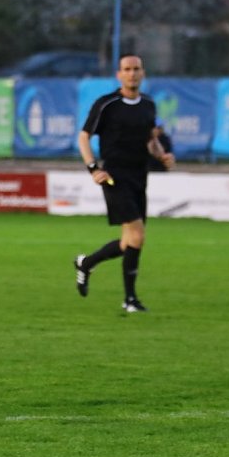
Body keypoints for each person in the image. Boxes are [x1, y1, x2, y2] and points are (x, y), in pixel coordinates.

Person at [73, 54, 174, 312]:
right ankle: (130, 300)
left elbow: (150, 140)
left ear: (143, 73)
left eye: (136, 69)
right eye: (127, 69)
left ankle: (86, 263)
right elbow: (84, 137)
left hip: (139, 177)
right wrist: (94, 168)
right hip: (114, 177)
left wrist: (161, 154)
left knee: (129, 241)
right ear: (119, 74)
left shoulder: (149, 105)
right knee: (138, 236)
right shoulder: (107, 104)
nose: (132, 73)